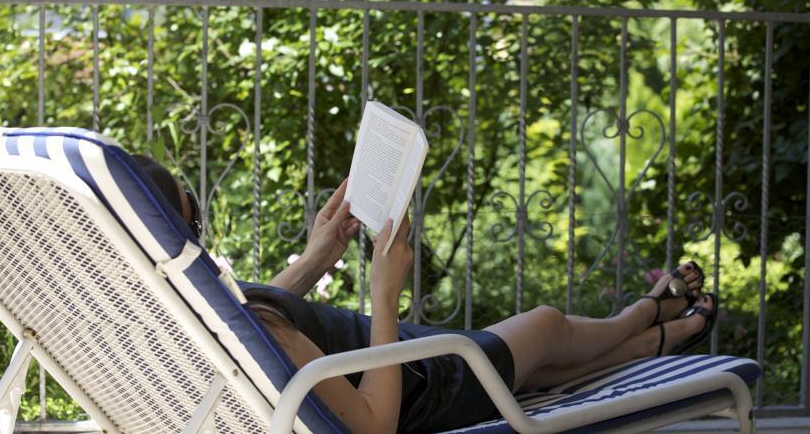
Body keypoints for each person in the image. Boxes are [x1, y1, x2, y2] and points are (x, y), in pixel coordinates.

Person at [134, 155, 718, 433]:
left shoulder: (168, 313)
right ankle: (640, 315)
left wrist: (316, 258)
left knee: (534, 366)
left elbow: (248, 325)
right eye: (194, 224)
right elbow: (374, 427)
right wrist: (385, 294)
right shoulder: (256, 332)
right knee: (546, 326)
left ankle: (645, 344)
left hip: (389, 361)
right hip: (415, 381)